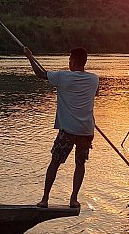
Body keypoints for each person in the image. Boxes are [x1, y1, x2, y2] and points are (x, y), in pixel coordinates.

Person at [23, 46, 99, 209]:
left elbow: (41, 74)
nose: (69, 62)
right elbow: (95, 94)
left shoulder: (63, 77)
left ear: (73, 61)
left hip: (69, 131)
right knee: (80, 164)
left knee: (55, 163)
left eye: (69, 59)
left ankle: (44, 199)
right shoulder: (94, 79)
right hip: (86, 131)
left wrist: (30, 57)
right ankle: (73, 199)